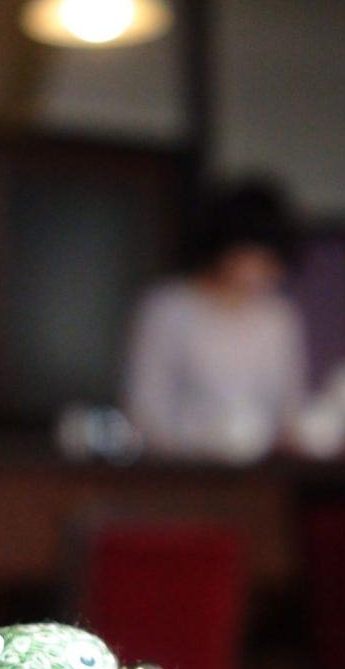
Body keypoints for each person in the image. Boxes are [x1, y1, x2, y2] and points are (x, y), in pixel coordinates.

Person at [123, 180, 308, 461]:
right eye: (254, 257)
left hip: (260, 469)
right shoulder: (168, 309)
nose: (261, 272)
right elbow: (145, 408)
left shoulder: (277, 318)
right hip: (181, 467)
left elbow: (290, 406)